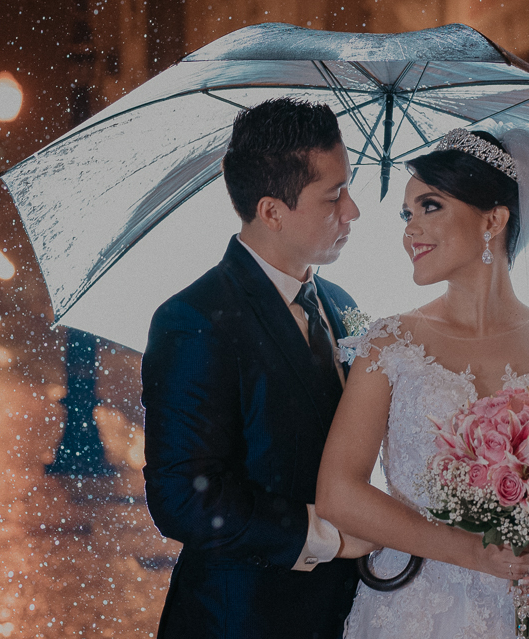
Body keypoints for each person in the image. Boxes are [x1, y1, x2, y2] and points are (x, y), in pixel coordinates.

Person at [317, 127, 529, 638]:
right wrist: (472, 553)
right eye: (406, 213)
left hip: (527, 612)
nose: (410, 229)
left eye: (429, 206)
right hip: (417, 610)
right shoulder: (391, 344)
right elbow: (338, 493)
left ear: (493, 219)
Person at [141, 97, 375, 639]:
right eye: (334, 196)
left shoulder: (344, 303)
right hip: (242, 618)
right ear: (271, 211)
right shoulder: (192, 319)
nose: (353, 211)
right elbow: (182, 496)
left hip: (348, 613)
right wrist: (328, 537)